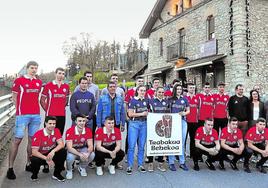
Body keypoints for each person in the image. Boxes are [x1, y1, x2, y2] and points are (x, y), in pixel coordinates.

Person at [7, 61, 42, 180]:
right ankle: (10, 168)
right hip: (22, 115)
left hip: (35, 115)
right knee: (17, 140)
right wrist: (19, 112)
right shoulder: (19, 81)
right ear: (27, 68)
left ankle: (28, 164)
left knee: (32, 140)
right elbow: (14, 97)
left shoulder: (38, 82)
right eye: (32, 68)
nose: (34, 70)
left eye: (36, 68)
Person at [30, 116, 66, 181]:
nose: (52, 125)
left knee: (63, 151)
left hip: (50, 153)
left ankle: (56, 174)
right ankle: (35, 174)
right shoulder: (38, 134)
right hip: (41, 155)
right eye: (50, 123)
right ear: (45, 123)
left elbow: (61, 144)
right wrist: (46, 159)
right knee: (34, 159)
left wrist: (53, 151)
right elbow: (34, 152)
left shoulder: (56, 131)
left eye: (54, 124)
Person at [40, 67, 70, 135]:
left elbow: (66, 100)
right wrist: (47, 110)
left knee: (59, 135)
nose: (61, 75)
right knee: (48, 135)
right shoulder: (48, 86)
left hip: (62, 115)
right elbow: (42, 100)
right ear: (55, 74)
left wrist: (61, 108)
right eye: (59, 73)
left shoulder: (66, 86)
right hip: (50, 115)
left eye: (63, 74)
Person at [127, 85, 149, 175]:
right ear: (137, 91)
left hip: (144, 124)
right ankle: (130, 165)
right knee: (131, 146)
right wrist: (141, 114)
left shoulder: (146, 100)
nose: (143, 92)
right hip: (134, 124)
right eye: (141, 90)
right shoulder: (133, 100)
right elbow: (130, 114)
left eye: (144, 90)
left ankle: (140, 164)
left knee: (141, 146)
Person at [65, 114, 95, 179]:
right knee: (70, 157)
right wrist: (80, 155)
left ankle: (81, 167)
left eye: (83, 121)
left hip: (83, 149)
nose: (82, 123)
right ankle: (69, 170)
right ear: (75, 122)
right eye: (80, 121)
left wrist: (87, 153)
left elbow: (90, 146)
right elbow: (69, 148)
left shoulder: (88, 130)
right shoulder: (69, 131)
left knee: (92, 155)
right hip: (73, 150)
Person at [168, 84, 190, 171]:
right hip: (172, 122)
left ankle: (182, 162)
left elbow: (188, 110)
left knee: (181, 142)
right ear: (174, 90)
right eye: (177, 89)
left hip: (182, 122)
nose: (179, 91)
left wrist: (185, 113)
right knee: (172, 142)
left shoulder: (184, 99)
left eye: (180, 89)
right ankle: (171, 162)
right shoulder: (170, 99)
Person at [147, 86, 169, 172]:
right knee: (152, 144)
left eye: (162, 92)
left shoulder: (166, 102)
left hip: (163, 126)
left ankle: (160, 163)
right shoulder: (151, 101)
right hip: (153, 126)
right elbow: (147, 111)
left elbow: (168, 113)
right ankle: (150, 163)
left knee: (161, 144)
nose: (161, 94)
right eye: (159, 92)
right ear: (156, 92)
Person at [124, 76, 144, 157]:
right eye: (139, 81)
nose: (141, 82)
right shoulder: (130, 91)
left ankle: (139, 154)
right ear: (136, 81)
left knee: (140, 138)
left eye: (142, 81)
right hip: (132, 118)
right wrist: (126, 116)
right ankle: (127, 154)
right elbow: (126, 104)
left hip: (142, 119)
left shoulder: (143, 92)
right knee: (129, 137)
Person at [186, 83, 199, 158]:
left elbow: (199, 108)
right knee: (184, 139)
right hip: (186, 121)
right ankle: (181, 154)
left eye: (193, 88)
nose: (192, 89)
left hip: (194, 121)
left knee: (193, 139)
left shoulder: (197, 98)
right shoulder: (184, 97)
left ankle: (192, 154)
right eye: (190, 87)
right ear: (187, 89)